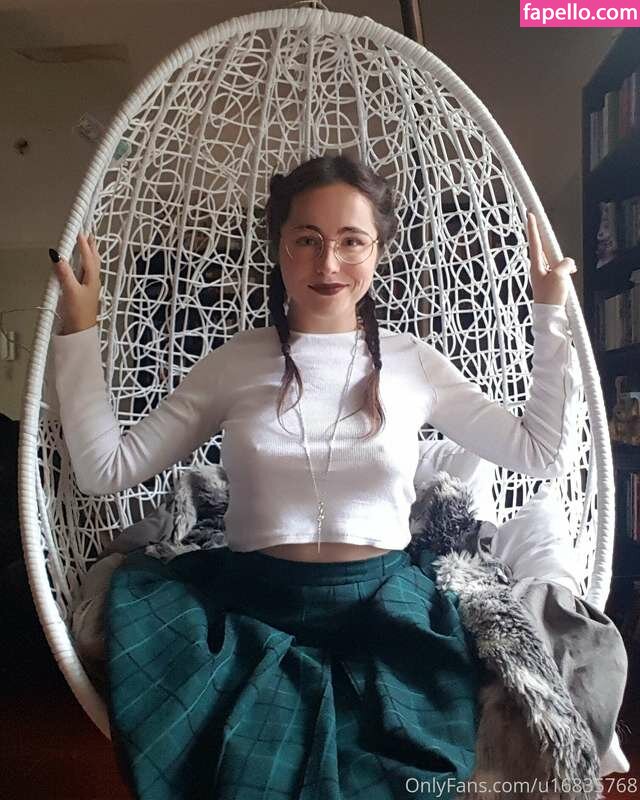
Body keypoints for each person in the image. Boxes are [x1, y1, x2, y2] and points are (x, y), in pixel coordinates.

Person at [50, 154, 580, 799]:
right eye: (307, 239)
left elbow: (541, 453)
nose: (328, 263)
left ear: (377, 250)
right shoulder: (234, 363)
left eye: (351, 241)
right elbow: (106, 470)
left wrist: (550, 313)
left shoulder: (415, 364)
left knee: (406, 777)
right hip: (251, 606)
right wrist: (80, 331)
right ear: (280, 246)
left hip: (386, 613)